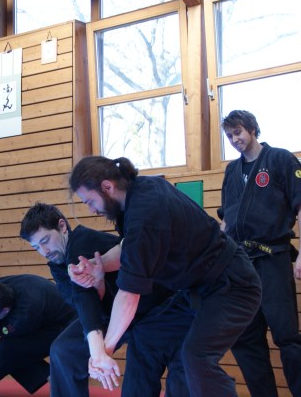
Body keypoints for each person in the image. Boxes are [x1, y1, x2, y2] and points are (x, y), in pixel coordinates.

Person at [68, 155, 262, 397]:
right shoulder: (140, 192)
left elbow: (129, 295)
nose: (91, 209)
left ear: (107, 187)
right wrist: (98, 266)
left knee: (196, 357)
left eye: (89, 201)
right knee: (146, 336)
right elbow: (129, 247)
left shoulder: (146, 211)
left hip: (232, 286)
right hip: (196, 290)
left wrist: (104, 351)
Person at [19, 202, 192, 397]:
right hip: (113, 313)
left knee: (170, 373)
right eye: (36, 247)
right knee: (63, 349)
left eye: (46, 240)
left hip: (154, 307)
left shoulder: (82, 242)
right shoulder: (58, 265)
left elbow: (85, 300)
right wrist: (99, 290)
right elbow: (82, 304)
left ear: (62, 226)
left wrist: (98, 354)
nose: (44, 251)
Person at [218, 109, 301, 397]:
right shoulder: (232, 171)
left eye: (238, 132)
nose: (234, 140)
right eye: (229, 136)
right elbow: (226, 221)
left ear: (252, 129)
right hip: (239, 264)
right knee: (245, 339)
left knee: (287, 337)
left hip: (272, 258)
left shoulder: (280, 159)